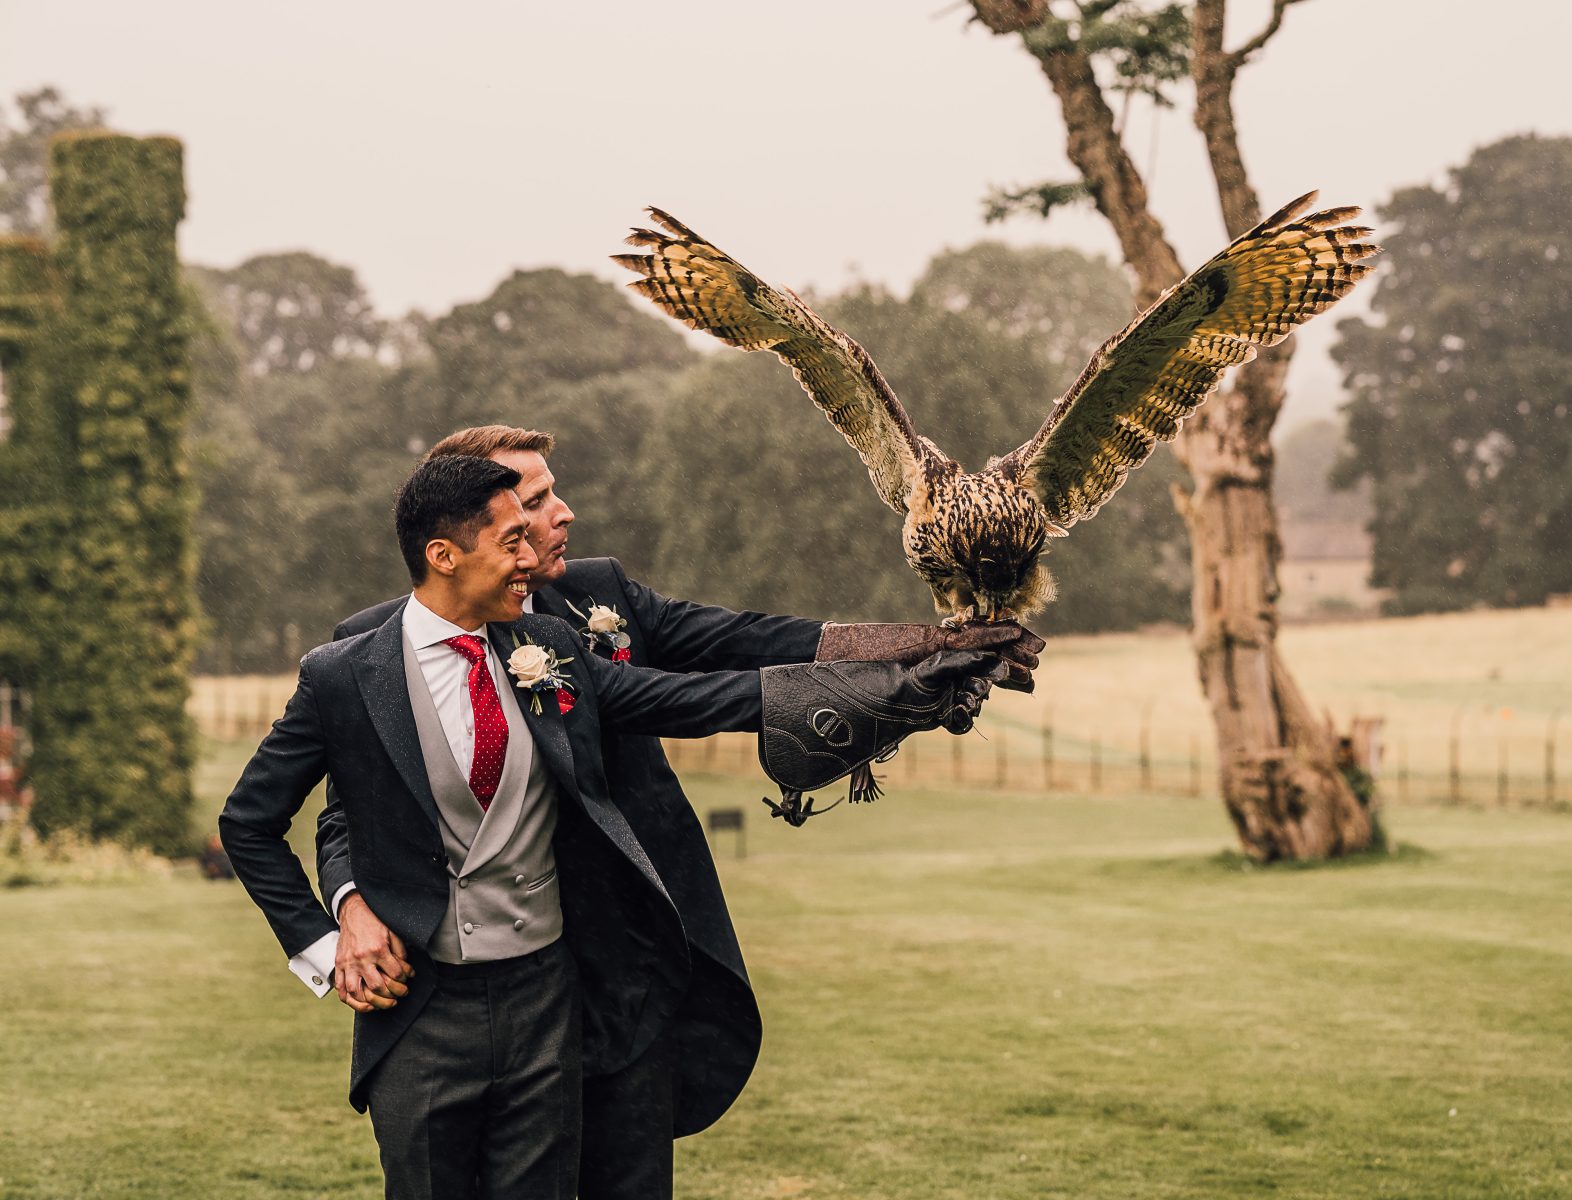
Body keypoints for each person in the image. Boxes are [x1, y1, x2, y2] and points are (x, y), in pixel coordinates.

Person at [221, 454, 1026, 1200]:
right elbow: (253, 822)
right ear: (444, 555)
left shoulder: (549, 646)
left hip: (546, 1002)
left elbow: (695, 698)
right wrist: (326, 938)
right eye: (512, 540)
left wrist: (901, 686)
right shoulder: (343, 674)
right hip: (421, 1014)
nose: (533, 558)